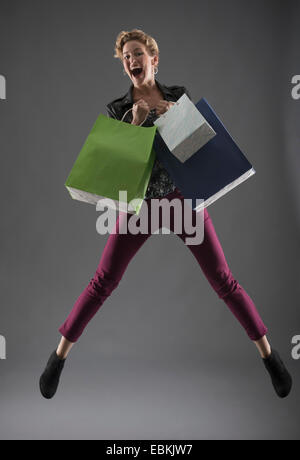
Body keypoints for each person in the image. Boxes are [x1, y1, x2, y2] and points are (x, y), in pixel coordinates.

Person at [39, 29, 292, 400]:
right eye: (126, 57)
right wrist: (135, 124)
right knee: (102, 282)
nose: (131, 61)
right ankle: (57, 360)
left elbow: (197, 156)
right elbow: (111, 170)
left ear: (153, 59)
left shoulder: (178, 96)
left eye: (137, 53)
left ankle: (271, 358)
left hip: (182, 202)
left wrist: (178, 119)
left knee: (224, 280)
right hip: (139, 206)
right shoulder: (116, 109)